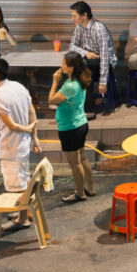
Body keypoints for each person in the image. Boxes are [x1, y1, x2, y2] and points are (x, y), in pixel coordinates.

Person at [0, 58, 39, 231]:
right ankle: (24, 214)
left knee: (18, 187)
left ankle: (22, 219)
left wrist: (29, 129)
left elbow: (12, 126)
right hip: (23, 145)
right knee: (24, 180)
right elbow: (31, 110)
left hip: (12, 147)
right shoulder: (18, 86)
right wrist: (34, 136)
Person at [48, 52, 95, 203]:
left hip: (70, 128)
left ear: (71, 68)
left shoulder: (70, 86)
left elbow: (52, 101)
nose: (61, 66)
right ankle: (91, 188)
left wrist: (55, 81)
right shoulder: (80, 79)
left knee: (75, 164)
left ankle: (80, 193)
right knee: (82, 158)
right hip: (81, 124)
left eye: (63, 64)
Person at [67, 0, 117, 115]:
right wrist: (86, 53)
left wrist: (103, 82)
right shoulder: (79, 27)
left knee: (83, 67)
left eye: (74, 16)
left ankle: (85, 107)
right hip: (90, 60)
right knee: (72, 64)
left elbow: (105, 56)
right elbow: (72, 46)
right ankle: (82, 106)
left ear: (84, 15)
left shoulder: (99, 29)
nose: (72, 19)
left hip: (105, 61)